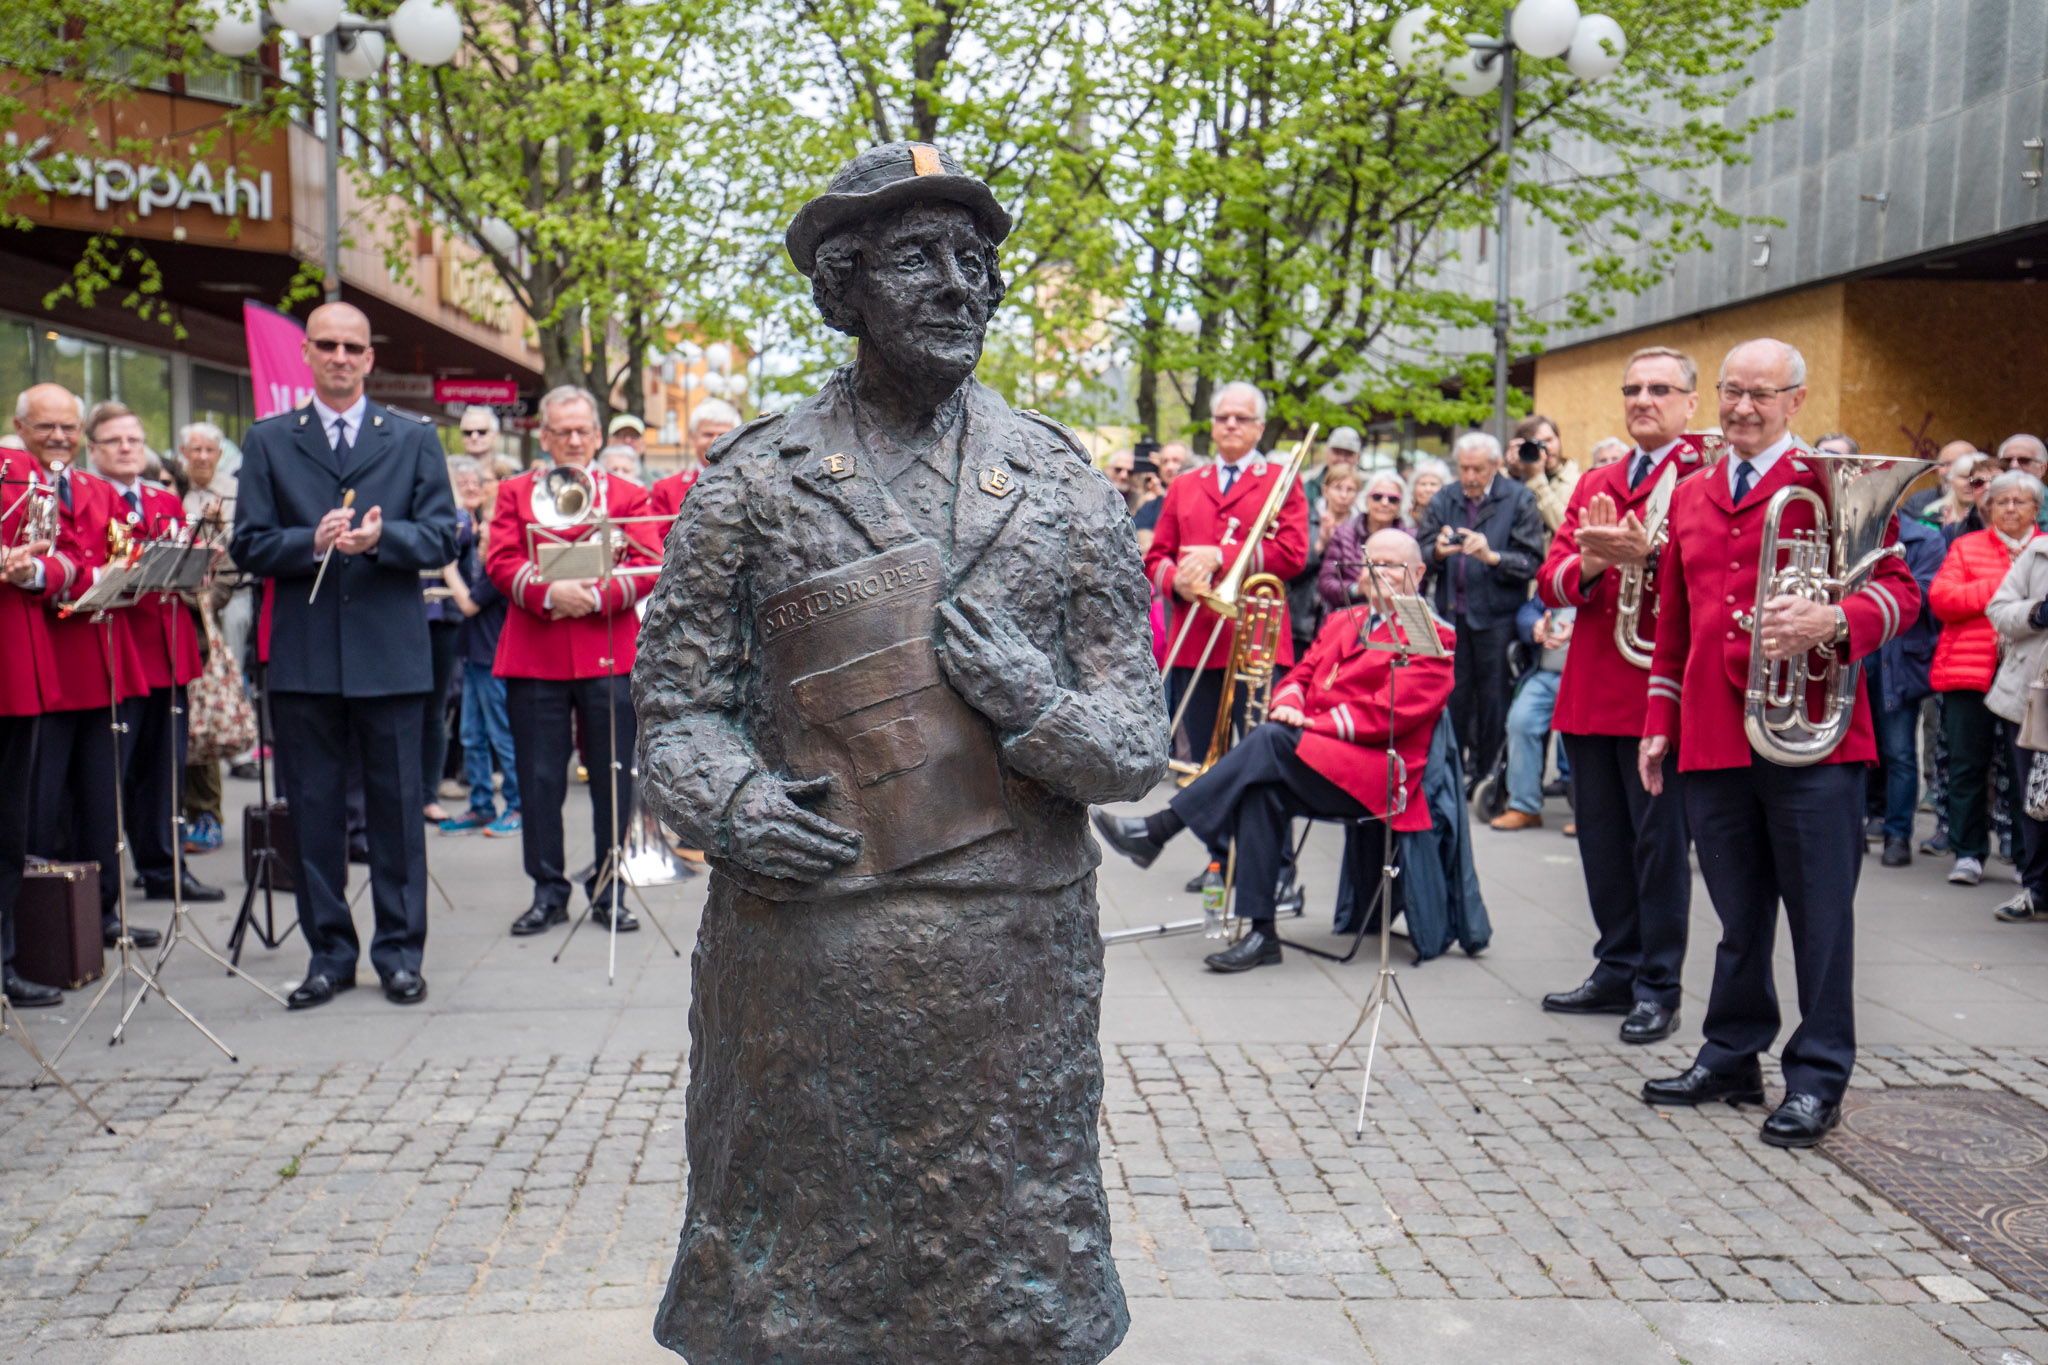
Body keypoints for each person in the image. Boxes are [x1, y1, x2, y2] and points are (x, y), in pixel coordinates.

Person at [632, 142, 1164, 1362]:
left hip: (1009, 964)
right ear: (843, 289)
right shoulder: (753, 484)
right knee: (795, 1310)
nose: (957, 286)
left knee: (1010, 1295)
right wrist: (734, 802)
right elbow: (674, 707)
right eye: (918, 259)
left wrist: (1033, 704)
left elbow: (1136, 743)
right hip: (809, 951)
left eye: (974, 263)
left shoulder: (1062, 490)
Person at [1637, 337, 1920, 1148]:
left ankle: (1818, 1075)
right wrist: (1660, 721)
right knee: (1737, 911)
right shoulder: (1690, 493)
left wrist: (1835, 618)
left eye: (1763, 394)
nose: (1743, 408)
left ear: (1797, 400)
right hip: (1716, 733)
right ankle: (1730, 1053)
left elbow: (1903, 592)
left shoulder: (1832, 484)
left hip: (1815, 741)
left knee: (1820, 917)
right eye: (1732, 391)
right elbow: (1675, 624)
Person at [231, 301, 459, 1010]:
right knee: (316, 814)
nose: (339, 356)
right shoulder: (269, 440)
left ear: (369, 357)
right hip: (303, 660)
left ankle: (398, 953)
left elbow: (444, 538)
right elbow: (248, 544)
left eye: (351, 346)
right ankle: (329, 953)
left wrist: (381, 542)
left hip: (389, 656)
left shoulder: (414, 437)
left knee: (395, 814)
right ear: (306, 353)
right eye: (326, 344)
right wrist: (313, 542)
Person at [1095, 529, 1453, 972]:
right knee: (1260, 788)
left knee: (1269, 741)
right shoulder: (1344, 621)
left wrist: (1311, 723)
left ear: (1418, 574)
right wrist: (1291, 706)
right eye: (1369, 564)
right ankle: (1262, 934)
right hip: (1317, 759)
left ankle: (1160, 828)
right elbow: (1300, 674)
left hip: (1379, 774)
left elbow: (1392, 713)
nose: (1375, 575)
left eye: (1390, 567)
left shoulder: (1433, 636)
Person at [1533, 344, 1710, 1043]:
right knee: (1602, 842)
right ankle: (1615, 964)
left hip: (1658, 696)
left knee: (1657, 846)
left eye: (1661, 388)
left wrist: (1656, 557)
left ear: (1691, 403)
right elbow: (1550, 580)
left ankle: (1657, 984)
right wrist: (1594, 560)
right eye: (1633, 387)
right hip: (1590, 689)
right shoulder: (1599, 479)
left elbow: (1719, 582)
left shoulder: (1706, 476)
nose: (1644, 399)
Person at [488, 385, 663, 937]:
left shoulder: (627, 494)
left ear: (596, 434)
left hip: (605, 648)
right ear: (543, 437)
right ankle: (547, 890)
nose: (571, 440)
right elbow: (500, 559)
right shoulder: (515, 491)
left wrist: (594, 597)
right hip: (535, 651)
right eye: (560, 431)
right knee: (538, 779)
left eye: (581, 430)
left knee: (615, 776)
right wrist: (546, 594)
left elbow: (649, 563)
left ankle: (610, 886)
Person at [1144, 381, 1310, 885]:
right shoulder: (1185, 485)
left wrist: (1223, 557)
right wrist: (1178, 583)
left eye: (1242, 418)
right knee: (1206, 761)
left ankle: (1276, 866)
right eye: (1222, 418)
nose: (1231, 425)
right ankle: (1221, 857)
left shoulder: (1281, 479)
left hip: (1256, 639)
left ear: (1260, 427)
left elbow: (1294, 554)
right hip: (1197, 640)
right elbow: (1157, 557)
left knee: (1262, 756)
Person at [13, 384, 156, 952]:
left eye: (68, 427)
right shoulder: (13, 484)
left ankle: (102, 917)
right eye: (47, 427)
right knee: (39, 808)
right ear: (21, 428)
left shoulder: (96, 489)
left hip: (100, 662)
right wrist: (75, 573)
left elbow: (130, 551)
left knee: (103, 803)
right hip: (44, 664)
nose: (59, 438)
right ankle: (41, 932)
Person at [82, 403, 220, 903]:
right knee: (110, 775)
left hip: (167, 646)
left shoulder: (164, 500)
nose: (126, 449)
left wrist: (200, 566)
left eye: (134, 441)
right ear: (92, 449)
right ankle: (101, 890)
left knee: (166, 769)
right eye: (114, 441)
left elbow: (186, 571)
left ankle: (165, 868)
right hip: (117, 651)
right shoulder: (84, 495)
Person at [1929, 470, 2040, 886]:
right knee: (1966, 766)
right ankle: (1968, 853)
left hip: (2027, 678)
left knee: (2024, 769)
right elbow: (1942, 600)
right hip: (1969, 671)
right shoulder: (1965, 545)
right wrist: (2005, 587)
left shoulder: (2044, 550)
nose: (2009, 509)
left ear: (2036, 509)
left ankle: (2026, 859)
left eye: (2019, 501)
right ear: (1988, 507)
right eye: (2001, 501)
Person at [1414, 431, 1545, 786]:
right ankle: (1451, 773)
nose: (1470, 477)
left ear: (1496, 466)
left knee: (1494, 701)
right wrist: (1439, 551)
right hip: (1451, 615)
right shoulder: (1445, 496)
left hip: (1498, 617)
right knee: (1453, 698)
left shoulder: (1518, 499)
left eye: (1478, 469)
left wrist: (1493, 557)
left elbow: (1533, 562)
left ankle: (1489, 776)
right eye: (1464, 468)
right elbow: (1420, 551)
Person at [0, 415, 64, 1006]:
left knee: (6, 827)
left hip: (11, 670)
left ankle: (4, 963)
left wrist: (33, 569)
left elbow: (60, 555)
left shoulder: (20, 470)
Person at [439, 457, 520, 837]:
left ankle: (517, 807)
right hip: (474, 658)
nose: (484, 536)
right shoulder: (481, 557)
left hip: (492, 660)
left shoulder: (494, 572)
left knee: (501, 736)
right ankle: (482, 806)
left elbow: (469, 603)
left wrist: (447, 569)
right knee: (471, 736)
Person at [1863, 506, 1944, 868]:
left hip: (1900, 657)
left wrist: (1869, 597)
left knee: (1899, 753)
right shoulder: (1852, 532)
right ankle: (1858, 827)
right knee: (1855, 750)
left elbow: (1926, 594)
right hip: (1860, 651)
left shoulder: (1925, 537)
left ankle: (1898, 835)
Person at [1985, 474, 2048, 922]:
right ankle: (2037, 890)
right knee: (2036, 797)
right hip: (2034, 697)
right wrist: (2038, 613)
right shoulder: (2039, 554)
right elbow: (1998, 610)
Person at [176, 421, 240, 853]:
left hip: (207, 620)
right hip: (160, 619)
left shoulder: (235, 493)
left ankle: (206, 815)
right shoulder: (168, 491)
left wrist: (205, 602)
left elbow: (232, 564)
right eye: (193, 449)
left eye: (208, 449)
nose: (200, 456)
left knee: (202, 720)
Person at [1494, 598, 1572, 831]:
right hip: (1545, 674)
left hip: (1586, 675)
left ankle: (1591, 816)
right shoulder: (1564, 574)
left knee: (1584, 737)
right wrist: (1535, 625)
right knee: (1520, 721)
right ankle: (1524, 806)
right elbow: (1528, 609)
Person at [1317, 468, 1406, 611]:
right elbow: (1326, 583)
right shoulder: (1344, 534)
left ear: (1400, 505)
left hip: (1394, 617)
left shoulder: (1409, 539)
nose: (1384, 503)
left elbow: (1417, 584)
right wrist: (1357, 589)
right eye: (1377, 496)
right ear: (1366, 499)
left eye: (1393, 499)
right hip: (1349, 616)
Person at [648, 398, 743, 530]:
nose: (715, 441)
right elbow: (658, 542)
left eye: (723, 435)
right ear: (693, 437)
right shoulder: (666, 490)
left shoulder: (751, 484)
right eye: (707, 434)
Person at [1511, 413, 1579, 532]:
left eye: (1549, 440)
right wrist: (1513, 475)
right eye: (1536, 444)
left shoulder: (1577, 481)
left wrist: (1537, 478)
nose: (1545, 448)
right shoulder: (1515, 479)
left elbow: (1567, 528)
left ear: (1560, 440)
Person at [1303, 425, 1363, 520]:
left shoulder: (1369, 487)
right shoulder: (1308, 483)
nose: (1342, 459)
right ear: (1327, 451)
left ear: (1358, 457)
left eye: (1348, 454)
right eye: (1337, 452)